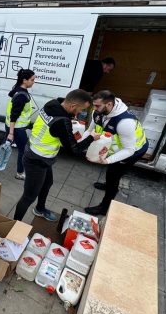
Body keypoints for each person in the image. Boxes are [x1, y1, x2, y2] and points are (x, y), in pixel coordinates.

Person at [13, 89, 100, 222]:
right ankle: (13, 226)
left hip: (39, 155)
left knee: (47, 183)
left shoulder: (53, 104)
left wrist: (70, 122)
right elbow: (74, 149)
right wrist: (91, 138)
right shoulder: (62, 121)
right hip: (36, 160)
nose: (80, 114)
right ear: (73, 106)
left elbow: (56, 128)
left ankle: (40, 209)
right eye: (81, 110)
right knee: (28, 196)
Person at [83, 90, 148, 216]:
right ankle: (108, 185)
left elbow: (129, 149)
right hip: (119, 149)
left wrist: (107, 160)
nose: (94, 108)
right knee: (111, 173)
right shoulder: (98, 112)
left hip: (133, 151)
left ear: (109, 104)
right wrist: (80, 143)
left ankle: (104, 207)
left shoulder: (124, 122)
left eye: (97, 106)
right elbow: (90, 130)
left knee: (113, 175)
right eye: (93, 105)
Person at [5, 69, 35, 180]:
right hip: (17, 129)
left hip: (11, 125)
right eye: (32, 80)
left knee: (5, 145)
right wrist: (11, 133)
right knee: (23, 151)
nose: (33, 82)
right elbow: (14, 115)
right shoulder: (22, 95)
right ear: (24, 80)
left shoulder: (17, 89)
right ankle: (20, 173)